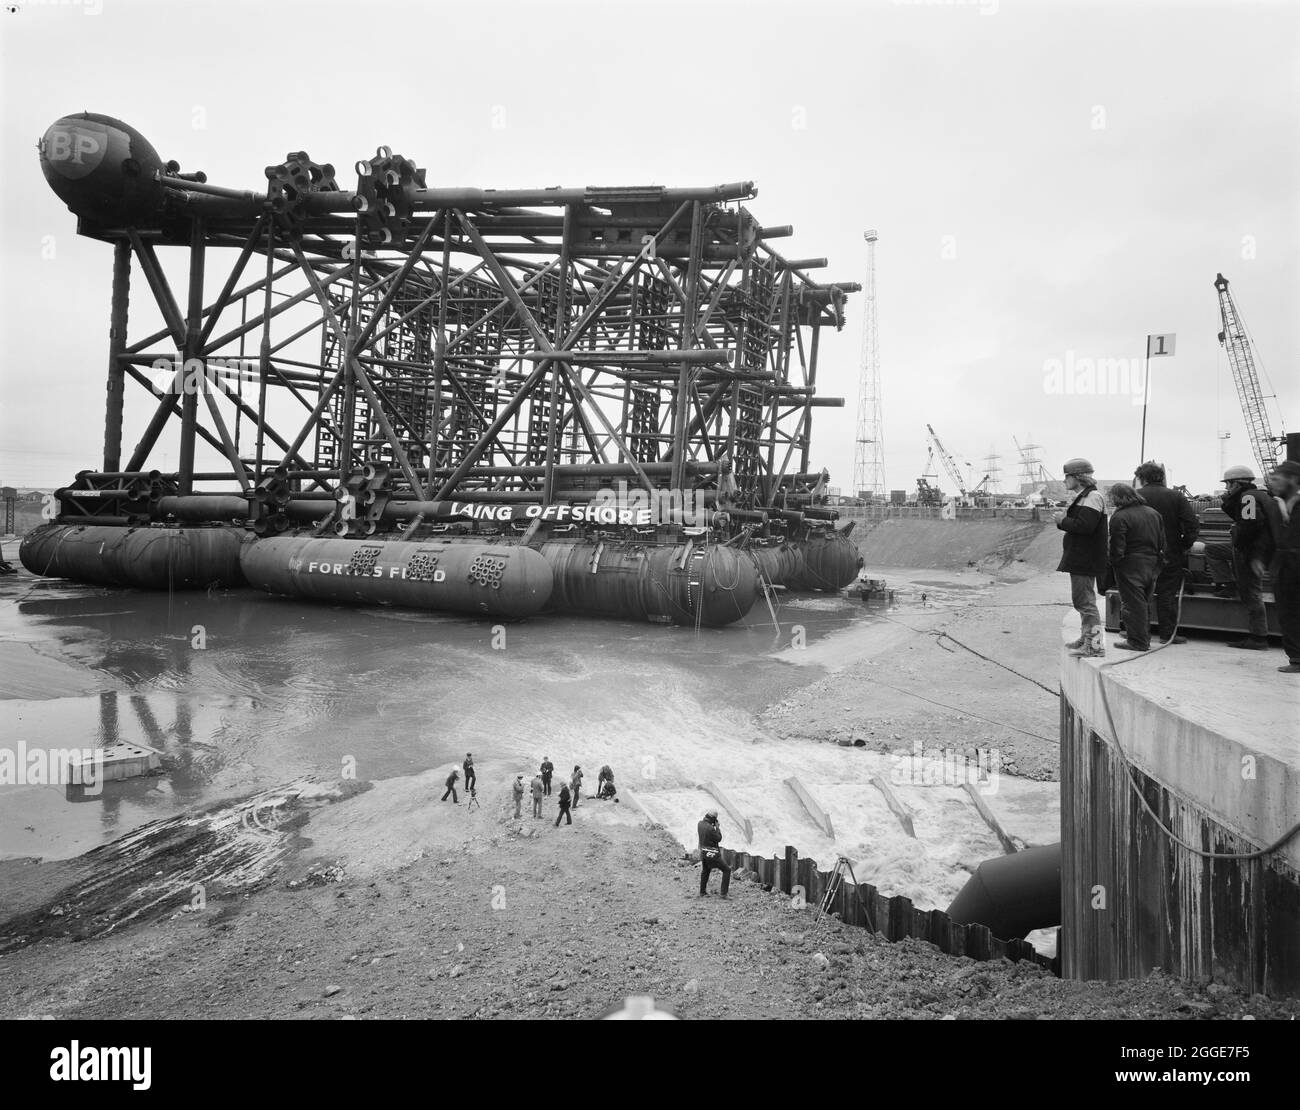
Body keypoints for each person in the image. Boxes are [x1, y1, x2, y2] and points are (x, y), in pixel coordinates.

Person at [1204, 465, 1280, 650]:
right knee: (1213, 551)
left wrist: (1241, 546)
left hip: (1250, 551)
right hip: (1256, 549)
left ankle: (1258, 637)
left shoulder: (1248, 498)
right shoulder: (1258, 496)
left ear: (1237, 483)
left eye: (1229, 485)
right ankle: (1228, 584)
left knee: (1251, 593)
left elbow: (1249, 525)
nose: (1227, 488)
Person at [1135, 461, 1199, 644]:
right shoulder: (1176, 496)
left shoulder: (1136, 496)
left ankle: (1139, 634)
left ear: (1143, 478)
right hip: (1170, 552)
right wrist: (1183, 544)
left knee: (1139, 594)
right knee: (1167, 594)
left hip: (1141, 554)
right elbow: (1191, 524)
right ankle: (1167, 635)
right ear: (1160, 477)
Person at [1054, 457, 1109, 657]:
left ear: (1077, 477)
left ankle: (1094, 646)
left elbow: (1085, 527)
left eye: (1066, 476)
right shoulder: (1085, 496)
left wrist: (1062, 520)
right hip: (1082, 557)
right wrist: (1064, 522)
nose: (1064, 481)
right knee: (1081, 600)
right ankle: (1086, 637)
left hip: (1086, 558)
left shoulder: (1092, 497)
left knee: (1085, 601)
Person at [1107, 482, 1167, 652]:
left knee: (1132, 604)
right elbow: (1163, 542)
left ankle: (1138, 641)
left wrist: (1115, 564)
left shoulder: (1120, 516)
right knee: (1144, 602)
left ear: (1117, 497)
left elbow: (1117, 547)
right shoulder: (1154, 513)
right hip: (1152, 563)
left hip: (1130, 565)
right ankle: (1140, 635)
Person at [1267, 460, 1300, 674]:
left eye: (1277, 480)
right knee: (1287, 612)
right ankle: (1296, 658)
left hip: (1294, 563)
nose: (1273, 484)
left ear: (1293, 480)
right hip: (1284, 566)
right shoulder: (1277, 504)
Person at [697, 809, 730, 898]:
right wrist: (717, 827)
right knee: (727, 870)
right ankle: (723, 894)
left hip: (703, 852)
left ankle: (702, 892)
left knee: (705, 871)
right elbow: (718, 838)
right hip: (712, 853)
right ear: (713, 819)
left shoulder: (699, 824)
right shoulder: (711, 828)